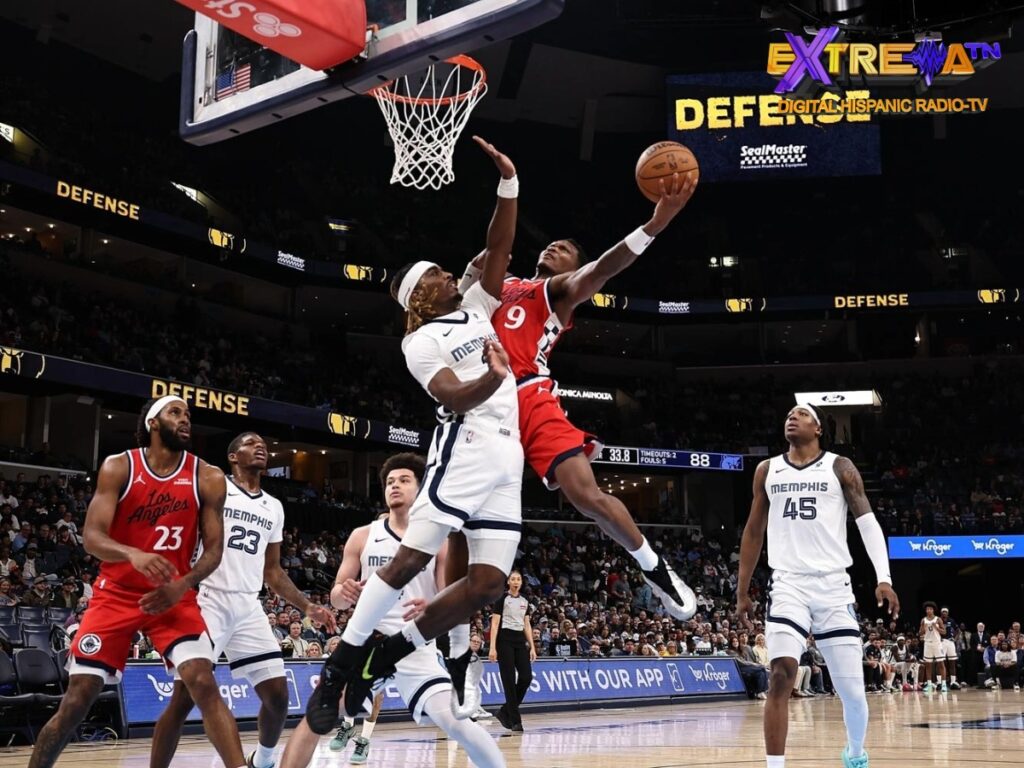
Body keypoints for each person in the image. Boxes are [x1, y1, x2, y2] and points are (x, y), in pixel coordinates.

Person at [303, 138, 523, 732]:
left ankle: (383, 656)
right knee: (408, 560)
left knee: (486, 585)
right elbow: (453, 395)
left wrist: (508, 183)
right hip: (466, 446)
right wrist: (493, 376)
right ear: (422, 294)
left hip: (509, 453)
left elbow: (499, 246)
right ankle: (338, 669)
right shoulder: (418, 341)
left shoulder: (477, 306)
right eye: (441, 275)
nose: (454, 275)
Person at [458, 170, 698, 622]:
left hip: (528, 396)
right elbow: (462, 292)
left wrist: (655, 224)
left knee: (584, 495)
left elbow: (603, 267)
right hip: (478, 402)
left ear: (573, 269)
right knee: (457, 518)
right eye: (552, 244)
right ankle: (450, 640)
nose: (554, 247)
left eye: (565, 249)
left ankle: (654, 566)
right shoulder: (500, 285)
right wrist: (481, 258)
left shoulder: (557, 291)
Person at [28, 397, 247, 768]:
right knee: (78, 698)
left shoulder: (207, 476)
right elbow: (92, 537)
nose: (185, 419)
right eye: (175, 413)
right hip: (117, 594)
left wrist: (183, 584)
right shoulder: (119, 466)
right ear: (153, 422)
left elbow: (214, 550)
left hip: (173, 596)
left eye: (188, 414)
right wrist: (133, 554)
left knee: (203, 681)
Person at [279, 453, 506, 768]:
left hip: (414, 644)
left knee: (457, 723)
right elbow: (337, 600)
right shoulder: (362, 535)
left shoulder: (439, 541)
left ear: (420, 489)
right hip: (367, 643)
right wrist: (343, 592)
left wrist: (433, 604)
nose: (394, 486)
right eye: (389, 482)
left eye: (403, 480)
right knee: (317, 716)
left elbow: (449, 598)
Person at [150, 431, 336, 768]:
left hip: (249, 606)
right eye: (250, 443)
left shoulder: (274, 506)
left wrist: (307, 606)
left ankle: (262, 761)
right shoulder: (214, 487)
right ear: (233, 457)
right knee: (183, 700)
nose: (260, 446)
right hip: (207, 600)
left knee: (278, 697)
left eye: (263, 444)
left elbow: (273, 571)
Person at [737, 403, 900, 768]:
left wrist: (884, 578)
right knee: (781, 674)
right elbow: (753, 531)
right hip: (788, 584)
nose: (791, 417)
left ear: (819, 428)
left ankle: (855, 753)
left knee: (852, 691)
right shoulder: (767, 470)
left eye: (801, 414)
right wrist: (742, 590)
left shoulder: (839, 467)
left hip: (833, 586)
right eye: (788, 414)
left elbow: (867, 523)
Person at [488, 570, 536, 731]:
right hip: (504, 640)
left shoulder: (525, 600)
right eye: (513, 579)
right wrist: (492, 647)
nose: (516, 582)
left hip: (520, 641)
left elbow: (527, 624)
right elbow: (495, 624)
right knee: (508, 680)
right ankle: (516, 721)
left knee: (526, 677)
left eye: (518, 579)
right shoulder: (501, 599)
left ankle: (505, 711)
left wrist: (532, 647)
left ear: (521, 582)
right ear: (508, 582)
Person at [919, 602, 944, 692]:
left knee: (941, 664)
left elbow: (944, 632)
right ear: (926, 610)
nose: (929, 610)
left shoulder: (938, 619)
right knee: (928, 665)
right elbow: (920, 633)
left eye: (930, 609)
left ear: (933, 610)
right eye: (927, 609)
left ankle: (943, 685)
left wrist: (936, 628)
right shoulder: (923, 620)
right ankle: (929, 685)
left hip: (937, 643)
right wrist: (923, 628)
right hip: (927, 644)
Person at [938, 607, 961, 690]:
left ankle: (953, 682)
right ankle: (939, 682)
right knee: (940, 662)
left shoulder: (951, 620)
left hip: (950, 642)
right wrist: (938, 638)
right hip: (941, 642)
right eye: (943, 612)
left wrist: (955, 639)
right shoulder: (938, 620)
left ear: (947, 613)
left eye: (946, 612)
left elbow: (958, 630)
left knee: (952, 662)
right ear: (941, 613)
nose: (944, 613)